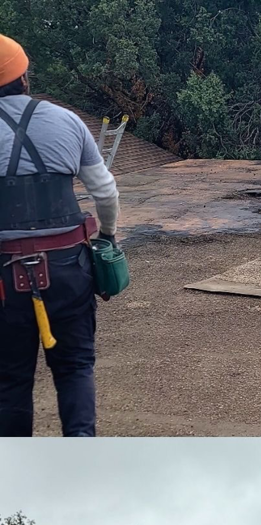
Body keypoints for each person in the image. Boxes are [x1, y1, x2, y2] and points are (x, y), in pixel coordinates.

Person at [0, 33, 120, 437]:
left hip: (2, 276)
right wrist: (108, 236)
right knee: (74, 368)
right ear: (25, 78)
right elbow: (105, 191)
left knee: (9, 380)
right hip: (68, 267)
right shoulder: (67, 121)